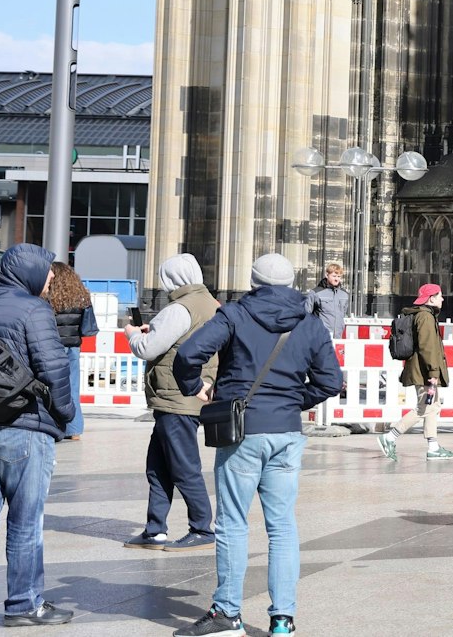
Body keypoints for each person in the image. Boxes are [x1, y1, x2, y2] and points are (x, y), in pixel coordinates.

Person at [171, 252, 342, 637]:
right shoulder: (310, 322)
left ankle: (228, 614)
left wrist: (196, 388)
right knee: (282, 527)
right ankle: (283, 620)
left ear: (254, 281)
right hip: (286, 433)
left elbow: (187, 354)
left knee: (233, 523)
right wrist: (293, 402)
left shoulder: (235, 314)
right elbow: (331, 381)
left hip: (243, 431)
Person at [0, 244, 75, 630]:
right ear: (29, 271)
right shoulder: (34, 309)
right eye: (47, 271)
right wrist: (66, 414)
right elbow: (54, 367)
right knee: (26, 522)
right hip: (24, 428)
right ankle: (23, 605)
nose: (50, 279)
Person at [126, 254, 221, 553]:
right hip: (191, 394)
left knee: (182, 465)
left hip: (175, 397)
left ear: (171, 279)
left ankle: (202, 527)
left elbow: (148, 348)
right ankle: (155, 529)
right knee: (159, 464)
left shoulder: (179, 308)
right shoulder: (211, 304)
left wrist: (132, 335)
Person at [379, 285, 453, 461]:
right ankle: (390, 437)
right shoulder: (425, 317)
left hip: (422, 370)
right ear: (431, 298)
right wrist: (434, 373)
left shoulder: (420, 314)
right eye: (440, 296)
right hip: (425, 372)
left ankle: (433, 447)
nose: (442, 299)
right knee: (424, 407)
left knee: (432, 406)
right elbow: (427, 348)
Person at [42, 263, 95, 441]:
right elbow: (88, 329)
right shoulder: (81, 297)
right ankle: (74, 430)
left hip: (52, 346)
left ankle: (53, 425)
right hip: (73, 346)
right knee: (73, 387)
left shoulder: (47, 297)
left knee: (50, 386)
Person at [302, 263, 350, 342]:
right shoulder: (315, 293)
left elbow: (343, 313)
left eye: (339, 277)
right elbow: (307, 314)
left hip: (338, 335)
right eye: (334, 276)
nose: (336, 279)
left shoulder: (344, 294)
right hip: (320, 336)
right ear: (327, 275)